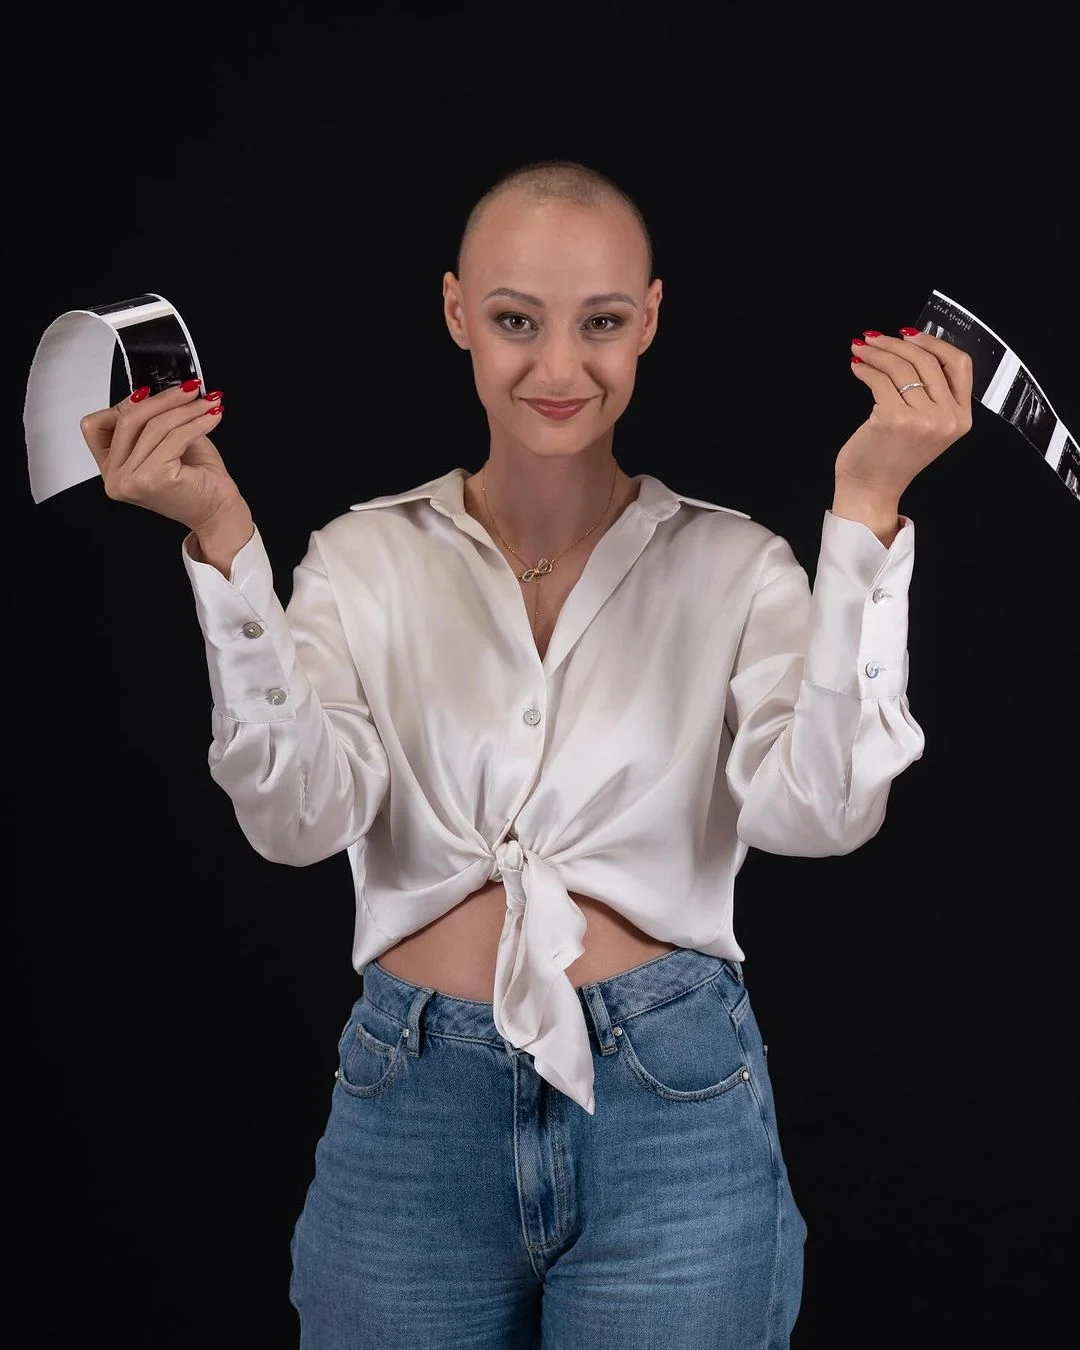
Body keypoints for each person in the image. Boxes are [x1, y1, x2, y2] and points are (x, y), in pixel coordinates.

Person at [78, 159, 973, 1350]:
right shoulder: (361, 561)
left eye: (600, 323)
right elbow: (296, 822)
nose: (559, 368)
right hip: (412, 1107)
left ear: (649, 318)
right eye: (515, 320)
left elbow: (820, 811)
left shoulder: (737, 567)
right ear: (457, 311)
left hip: (675, 1104)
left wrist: (868, 510)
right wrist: (223, 546)